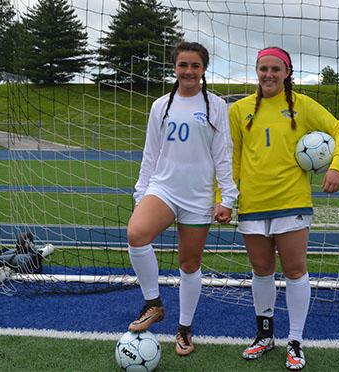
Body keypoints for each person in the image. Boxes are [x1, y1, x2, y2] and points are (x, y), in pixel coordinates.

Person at [229, 46, 339, 370]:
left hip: (291, 202)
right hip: (252, 205)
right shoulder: (239, 110)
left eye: (275, 69)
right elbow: (232, 160)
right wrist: (224, 198)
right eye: (263, 69)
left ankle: (295, 341)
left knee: (295, 270)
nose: (269, 75)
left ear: (286, 73)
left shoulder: (302, 106)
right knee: (261, 271)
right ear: (256, 71)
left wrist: (336, 165)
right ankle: (264, 334)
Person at [127, 41, 237, 356]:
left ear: (203, 70)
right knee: (137, 233)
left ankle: (184, 329)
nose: (188, 71)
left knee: (189, 264)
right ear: (174, 68)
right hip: (163, 187)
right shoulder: (160, 105)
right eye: (183, 65)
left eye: (195, 66)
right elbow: (151, 153)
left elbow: (223, 154)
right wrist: (141, 191)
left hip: (198, 195)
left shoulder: (215, 105)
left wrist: (226, 197)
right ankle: (153, 303)